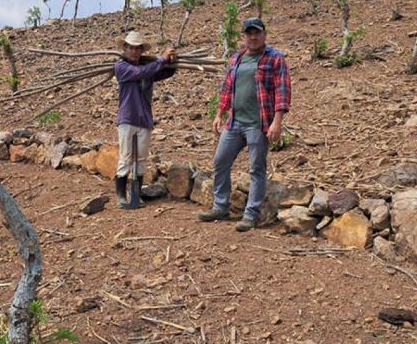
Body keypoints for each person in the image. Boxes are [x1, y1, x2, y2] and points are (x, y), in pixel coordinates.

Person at [198, 17, 291, 231]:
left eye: (257, 32)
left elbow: (282, 92)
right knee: (220, 161)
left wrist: (277, 122)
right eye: (249, 33)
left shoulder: (275, 59)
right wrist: (219, 113)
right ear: (244, 36)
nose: (253, 36)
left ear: (264, 34)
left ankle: (251, 215)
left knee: (256, 168)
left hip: (258, 124)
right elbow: (228, 87)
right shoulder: (237, 58)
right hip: (234, 122)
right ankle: (220, 206)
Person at [114, 31, 176, 207]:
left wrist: (171, 61)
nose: (134, 51)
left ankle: (136, 195)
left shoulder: (148, 68)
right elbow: (141, 72)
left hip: (144, 118)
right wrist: (162, 59)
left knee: (141, 159)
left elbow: (163, 73)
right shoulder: (121, 67)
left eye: (137, 48)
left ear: (141, 50)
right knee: (125, 157)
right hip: (127, 117)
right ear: (125, 49)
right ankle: (120, 197)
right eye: (131, 48)